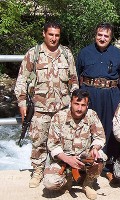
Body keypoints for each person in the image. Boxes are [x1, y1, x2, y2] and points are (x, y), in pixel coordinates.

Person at [14, 22, 79, 188]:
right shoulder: (33, 54)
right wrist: (22, 103)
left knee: (63, 142)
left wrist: (75, 100)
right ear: (44, 34)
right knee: (39, 142)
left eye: (57, 35)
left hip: (62, 109)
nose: (54, 38)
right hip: (40, 109)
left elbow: (73, 79)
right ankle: (37, 171)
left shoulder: (66, 54)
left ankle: (62, 171)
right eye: (51, 34)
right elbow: (21, 80)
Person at [76, 22, 120, 183]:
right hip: (89, 95)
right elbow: (77, 75)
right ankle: (87, 165)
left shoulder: (118, 54)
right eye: (100, 35)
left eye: (106, 36)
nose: (102, 38)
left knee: (110, 129)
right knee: (88, 127)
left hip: (110, 95)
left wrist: (117, 96)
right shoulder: (85, 53)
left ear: (111, 38)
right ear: (95, 35)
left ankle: (110, 166)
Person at [43, 89, 106, 200]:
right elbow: (52, 145)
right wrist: (67, 159)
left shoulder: (92, 115)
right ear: (71, 103)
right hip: (63, 159)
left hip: (83, 158)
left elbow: (100, 137)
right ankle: (68, 179)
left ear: (87, 105)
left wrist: (95, 148)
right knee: (50, 183)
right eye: (76, 104)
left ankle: (87, 184)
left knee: (101, 157)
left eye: (83, 105)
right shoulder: (59, 117)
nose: (79, 108)